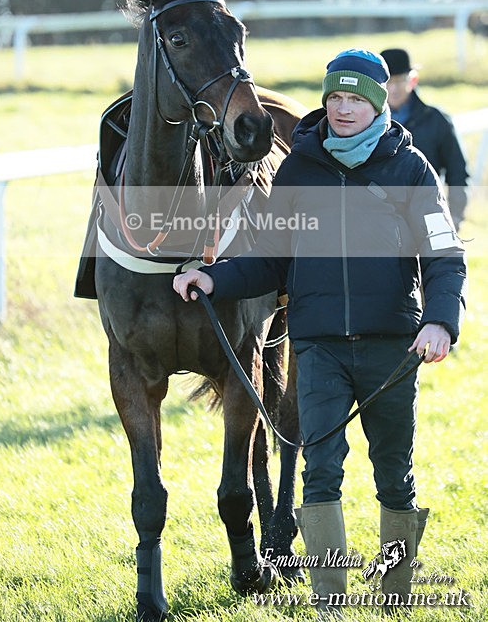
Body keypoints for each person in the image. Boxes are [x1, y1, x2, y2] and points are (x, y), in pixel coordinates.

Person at [173, 48, 467, 613]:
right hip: (319, 348)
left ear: (379, 103)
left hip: (392, 347)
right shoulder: (298, 169)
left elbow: (444, 255)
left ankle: (395, 597)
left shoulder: (411, 169)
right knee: (320, 473)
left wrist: (439, 321)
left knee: (394, 478)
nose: (343, 108)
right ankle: (331, 603)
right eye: (335, 97)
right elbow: (270, 259)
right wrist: (213, 278)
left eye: (356, 98)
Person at [380, 48, 469, 231]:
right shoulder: (365, 122)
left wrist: (456, 216)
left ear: (412, 80)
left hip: (428, 214)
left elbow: (457, 172)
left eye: (399, 81)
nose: (393, 89)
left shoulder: (437, 120)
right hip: (381, 220)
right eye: (388, 82)